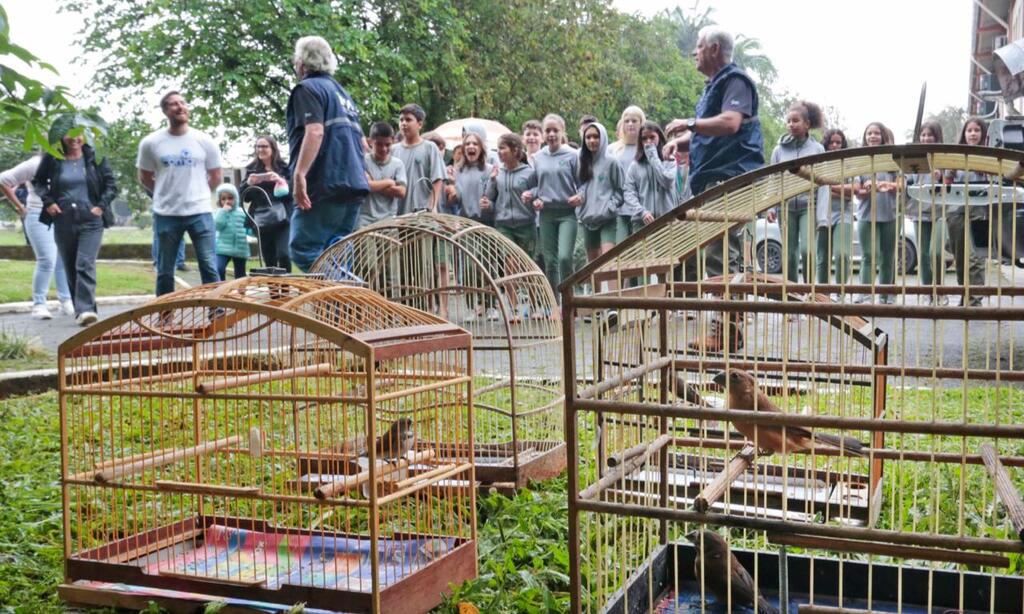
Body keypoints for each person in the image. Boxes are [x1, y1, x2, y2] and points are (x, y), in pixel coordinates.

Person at [664, 26, 765, 352]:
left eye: (698, 46)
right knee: (716, 255)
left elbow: (731, 123)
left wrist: (689, 124)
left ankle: (724, 334)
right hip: (713, 178)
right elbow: (711, 132)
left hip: (730, 177)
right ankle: (725, 331)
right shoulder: (714, 87)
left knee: (723, 256)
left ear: (714, 48)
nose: (694, 52)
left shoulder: (735, 80)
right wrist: (683, 142)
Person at [286, 36, 369, 272]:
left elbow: (315, 132)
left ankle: (348, 295)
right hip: (353, 185)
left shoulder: (307, 89)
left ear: (301, 62)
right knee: (338, 251)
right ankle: (343, 306)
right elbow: (362, 144)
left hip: (325, 184)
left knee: (303, 249)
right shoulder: (343, 95)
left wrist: (300, 174)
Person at [137, 90, 222, 296]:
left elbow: (216, 175)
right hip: (167, 214)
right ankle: (165, 316)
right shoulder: (151, 142)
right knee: (165, 270)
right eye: (173, 104)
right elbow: (145, 176)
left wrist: (199, 193)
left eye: (183, 103)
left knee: (209, 265)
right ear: (166, 110)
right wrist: (164, 194)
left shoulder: (204, 140)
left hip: (200, 212)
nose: (180, 107)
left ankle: (217, 311)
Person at [34, 123, 118, 325]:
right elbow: (38, 181)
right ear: (61, 137)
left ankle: (87, 309)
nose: (74, 139)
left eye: (78, 134)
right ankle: (82, 311)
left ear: (85, 135)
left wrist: (100, 206)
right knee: (71, 266)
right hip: (63, 217)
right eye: (68, 135)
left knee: (84, 263)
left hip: (90, 218)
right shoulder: (53, 157)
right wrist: (49, 202)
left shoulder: (95, 157)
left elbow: (111, 185)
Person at [0, 156, 73, 319]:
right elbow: (3, 180)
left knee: (63, 260)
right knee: (47, 259)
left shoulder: (73, 163)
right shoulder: (36, 163)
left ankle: (66, 300)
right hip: (37, 214)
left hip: (63, 216)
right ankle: (39, 305)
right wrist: (20, 207)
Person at [768, 101, 825, 283]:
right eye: (788, 121)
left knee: (807, 251)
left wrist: (822, 217)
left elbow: (824, 183)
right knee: (789, 255)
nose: (791, 124)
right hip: (785, 207)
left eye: (796, 120)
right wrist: (770, 205)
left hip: (808, 205)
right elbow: (773, 178)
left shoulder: (817, 149)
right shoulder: (779, 150)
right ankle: (791, 296)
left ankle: (810, 293)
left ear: (807, 124)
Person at [525, 114, 579, 295]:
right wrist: (532, 196)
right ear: (543, 133)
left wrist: (580, 196)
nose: (552, 134)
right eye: (548, 130)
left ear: (562, 132)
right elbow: (535, 186)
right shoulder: (538, 157)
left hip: (567, 213)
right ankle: (554, 305)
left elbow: (584, 184)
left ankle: (570, 299)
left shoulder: (573, 155)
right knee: (550, 261)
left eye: (555, 130)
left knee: (564, 258)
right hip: (546, 214)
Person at [853, 121, 900, 304]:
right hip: (866, 215)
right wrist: (866, 188)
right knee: (868, 256)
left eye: (876, 133)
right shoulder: (860, 160)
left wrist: (888, 186)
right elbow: (857, 190)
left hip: (889, 215)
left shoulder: (891, 159)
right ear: (865, 137)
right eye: (869, 133)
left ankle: (885, 295)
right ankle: (865, 293)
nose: (872, 136)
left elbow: (901, 185)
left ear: (882, 137)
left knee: (887, 257)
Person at [946, 117, 989, 306]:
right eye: (969, 130)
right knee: (961, 258)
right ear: (964, 134)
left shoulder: (990, 156)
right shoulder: (955, 156)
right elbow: (946, 183)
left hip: (981, 212)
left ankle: (975, 300)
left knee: (976, 257)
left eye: (976, 130)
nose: (973, 134)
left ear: (983, 133)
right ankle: (965, 294)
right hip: (957, 211)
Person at [905, 120, 947, 303]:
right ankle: (927, 291)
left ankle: (940, 290)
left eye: (930, 134)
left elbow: (952, 181)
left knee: (935, 252)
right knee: (923, 254)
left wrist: (941, 176)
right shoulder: (915, 157)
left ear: (937, 137)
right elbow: (908, 181)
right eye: (923, 135)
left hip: (940, 211)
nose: (926, 138)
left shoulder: (946, 156)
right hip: (919, 211)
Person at [576, 122, 624, 266]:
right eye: (588, 137)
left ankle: (614, 290)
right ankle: (596, 290)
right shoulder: (582, 162)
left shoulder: (612, 162)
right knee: (593, 265)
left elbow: (621, 190)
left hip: (607, 219)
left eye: (596, 137)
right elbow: (580, 187)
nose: (592, 141)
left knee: (610, 260)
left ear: (602, 137)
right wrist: (579, 199)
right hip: (588, 219)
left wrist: (610, 206)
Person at [243, 135, 292, 271]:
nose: (260, 149)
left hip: (282, 218)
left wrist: (280, 180)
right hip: (261, 219)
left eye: (264, 146)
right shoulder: (251, 169)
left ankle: (286, 289)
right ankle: (274, 292)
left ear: (273, 148)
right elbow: (244, 197)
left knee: (284, 254)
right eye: (258, 146)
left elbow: (293, 192)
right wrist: (249, 184)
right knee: (269, 259)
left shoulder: (284, 168)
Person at [814, 129, 855, 286]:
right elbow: (815, 189)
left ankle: (841, 294)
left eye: (838, 142)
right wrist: (840, 189)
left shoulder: (848, 163)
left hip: (844, 213)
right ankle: (823, 295)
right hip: (822, 213)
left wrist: (828, 188)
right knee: (822, 257)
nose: (835, 145)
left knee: (842, 255)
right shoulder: (820, 163)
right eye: (832, 142)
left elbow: (853, 190)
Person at [623, 122, 677, 231]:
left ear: (659, 138)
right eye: (644, 138)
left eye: (652, 137)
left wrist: (653, 157)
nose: (648, 142)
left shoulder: (670, 160)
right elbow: (629, 192)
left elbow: (667, 181)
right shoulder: (635, 165)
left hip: (667, 220)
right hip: (642, 222)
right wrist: (642, 212)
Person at [393, 104, 444, 215]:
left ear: (419, 124)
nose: (404, 123)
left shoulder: (430, 148)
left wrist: (432, 206)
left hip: (421, 214)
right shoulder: (393, 150)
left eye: (408, 120)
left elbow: (438, 179)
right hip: (396, 215)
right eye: (401, 120)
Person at [608, 106, 647, 242]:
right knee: (620, 248)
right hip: (619, 207)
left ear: (641, 123)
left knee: (641, 248)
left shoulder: (647, 148)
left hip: (641, 207)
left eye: (634, 121)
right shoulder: (612, 149)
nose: (630, 124)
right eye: (627, 121)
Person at [360, 121, 407, 228]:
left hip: (389, 220)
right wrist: (389, 182)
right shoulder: (363, 160)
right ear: (370, 142)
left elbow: (401, 192)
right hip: (364, 221)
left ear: (393, 142)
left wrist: (374, 183)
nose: (384, 149)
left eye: (387, 144)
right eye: (379, 144)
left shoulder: (398, 164)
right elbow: (367, 185)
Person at [450, 131, 493, 226]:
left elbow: (497, 199)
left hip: (487, 225)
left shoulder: (490, 170)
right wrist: (452, 183)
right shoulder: (457, 171)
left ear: (481, 148)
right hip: (465, 224)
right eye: (467, 144)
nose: (471, 146)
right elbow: (455, 201)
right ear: (464, 149)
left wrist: (490, 205)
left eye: (475, 143)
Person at [213, 183, 249, 281]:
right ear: (219, 201)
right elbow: (217, 226)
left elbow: (248, 227)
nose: (227, 201)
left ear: (236, 199)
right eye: (223, 199)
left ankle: (241, 294)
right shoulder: (219, 212)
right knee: (219, 268)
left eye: (230, 198)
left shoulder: (242, 212)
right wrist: (223, 211)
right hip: (223, 248)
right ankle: (222, 288)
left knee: (240, 274)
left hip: (240, 248)